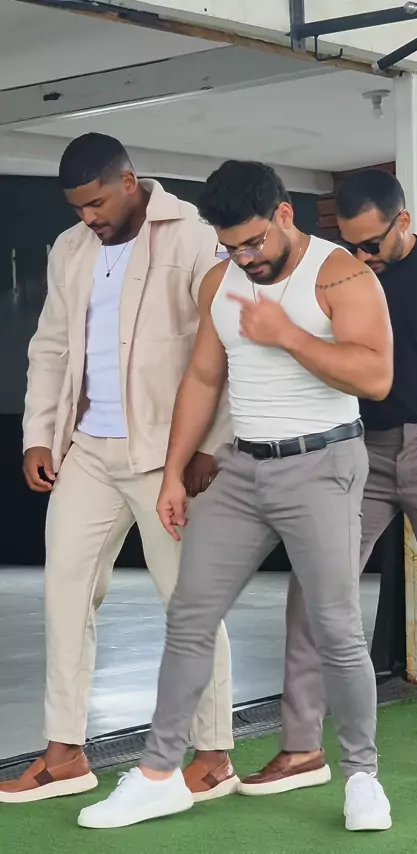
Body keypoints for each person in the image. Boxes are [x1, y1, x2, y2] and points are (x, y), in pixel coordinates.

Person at [77, 159, 394, 832]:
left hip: (324, 464)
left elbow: (376, 376)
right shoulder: (220, 282)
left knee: (336, 628)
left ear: (285, 214)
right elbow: (202, 377)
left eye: (253, 242)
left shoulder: (341, 275)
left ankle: (362, 777)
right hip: (243, 469)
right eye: (230, 246)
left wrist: (289, 336)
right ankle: (159, 775)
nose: (245, 258)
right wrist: (172, 472)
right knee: (189, 615)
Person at [0, 134, 237, 805]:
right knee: (65, 592)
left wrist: (211, 446)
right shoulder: (70, 249)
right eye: (77, 207)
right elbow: (50, 345)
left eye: (97, 203)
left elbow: (228, 344)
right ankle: (65, 753)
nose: (88, 218)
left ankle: (214, 753)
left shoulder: (194, 235)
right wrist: (39, 435)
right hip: (89, 450)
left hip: (168, 456)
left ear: (129, 182)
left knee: (188, 602)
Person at [241, 169, 417, 796]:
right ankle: (300, 748)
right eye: (350, 243)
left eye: (372, 243)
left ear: (404, 222)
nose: (361, 255)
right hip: (350, 452)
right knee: (313, 596)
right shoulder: (330, 274)